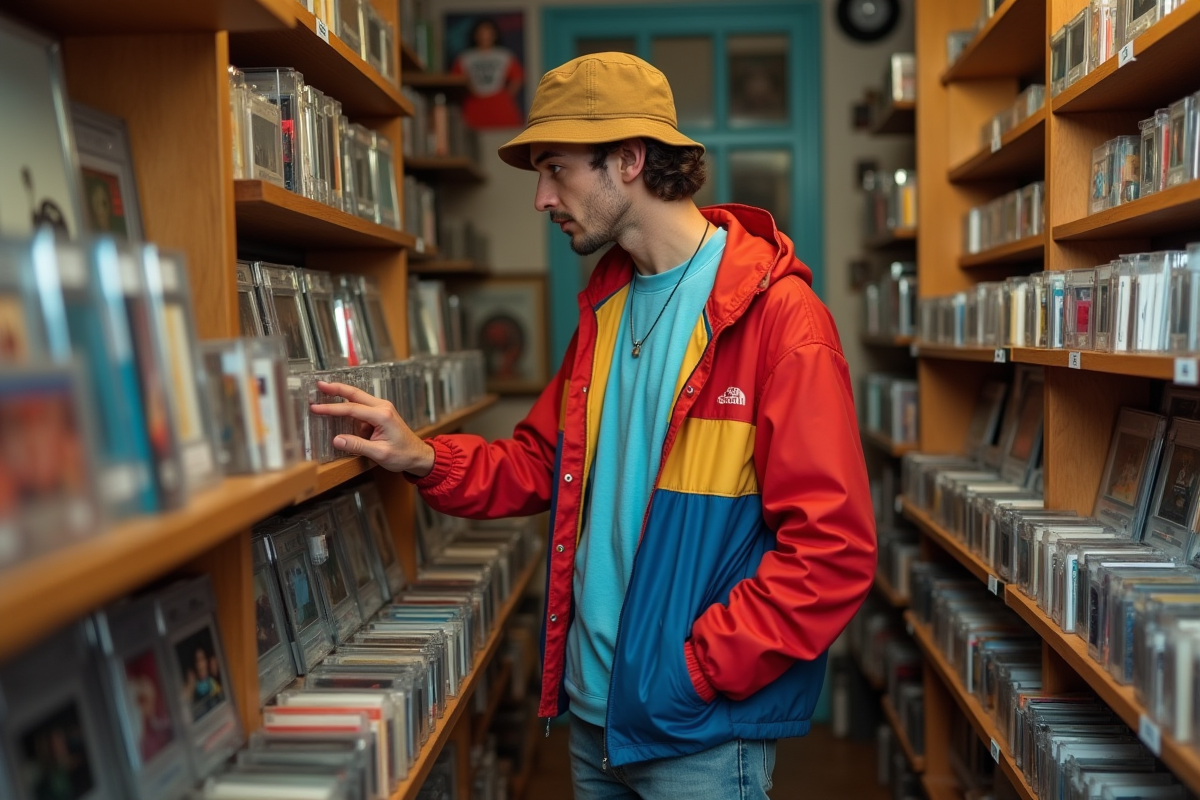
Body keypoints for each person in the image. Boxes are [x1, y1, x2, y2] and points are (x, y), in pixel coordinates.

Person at [312, 52, 876, 800]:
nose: (541, 198)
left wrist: (696, 669)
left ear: (630, 160)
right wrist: (421, 457)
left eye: (556, 170)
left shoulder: (781, 320)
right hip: (592, 714)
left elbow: (833, 551)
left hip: (696, 731)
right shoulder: (606, 308)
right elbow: (543, 465)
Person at [450, 17, 524, 129]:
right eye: (481, 33)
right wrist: (469, 90)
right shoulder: (465, 58)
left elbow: (517, 77)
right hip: (474, 106)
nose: (485, 36)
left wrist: (505, 96)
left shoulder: (504, 56)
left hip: (499, 106)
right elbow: (455, 80)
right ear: (475, 35)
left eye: (488, 33)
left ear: (494, 35)